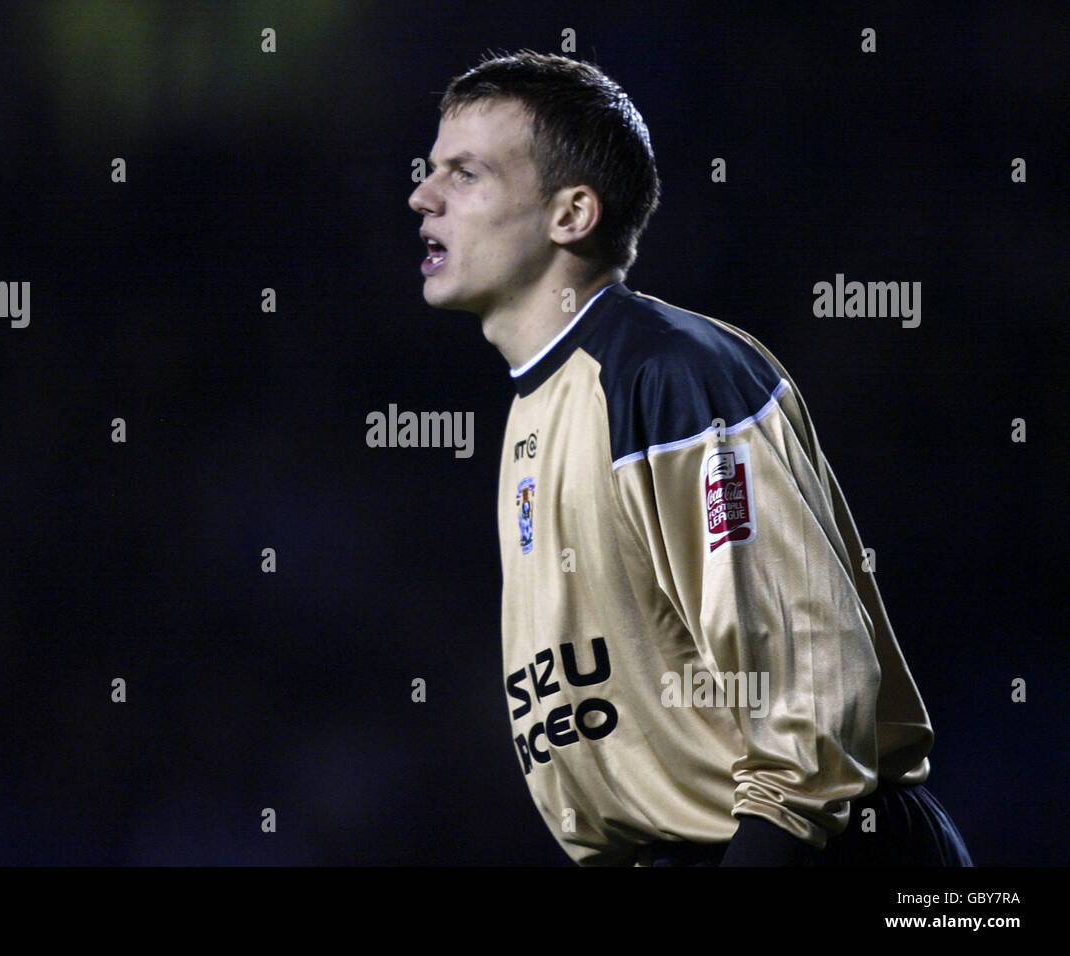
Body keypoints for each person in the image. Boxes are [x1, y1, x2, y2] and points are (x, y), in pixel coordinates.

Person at [408, 50, 971, 867]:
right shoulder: (541, 404)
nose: (422, 195)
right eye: (432, 171)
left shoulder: (671, 375)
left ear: (571, 214)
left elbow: (807, 692)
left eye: (464, 174)